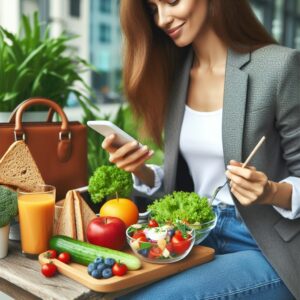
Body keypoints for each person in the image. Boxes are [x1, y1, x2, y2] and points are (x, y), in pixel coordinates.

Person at [102, 0, 300, 299]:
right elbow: (186, 182)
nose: (162, 19)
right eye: (153, 9)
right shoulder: (176, 75)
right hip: (195, 233)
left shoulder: (278, 67)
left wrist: (271, 192)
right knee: (112, 290)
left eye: (170, 2)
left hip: (264, 246)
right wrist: (138, 168)